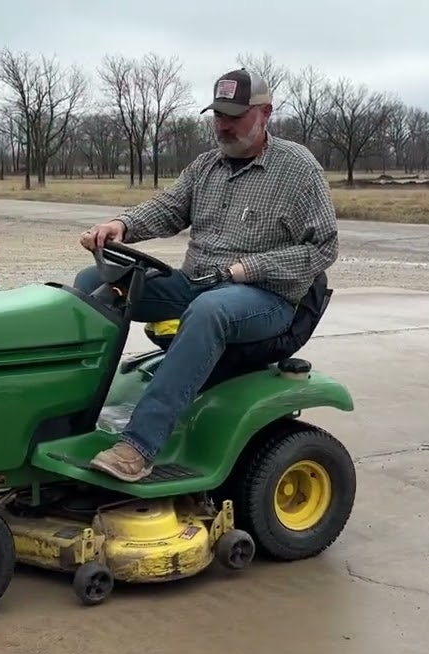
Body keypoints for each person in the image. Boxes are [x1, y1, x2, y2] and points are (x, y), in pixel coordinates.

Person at [73, 66, 340, 482]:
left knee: (209, 311)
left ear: (265, 112)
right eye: (218, 114)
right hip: (195, 283)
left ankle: (138, 447)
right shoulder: (206, 166)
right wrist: (121, 226)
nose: (223, 125)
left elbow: (323, 247)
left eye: (234, 115)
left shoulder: (298, 170)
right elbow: (168, 208)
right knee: (93, 285)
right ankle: (74, 412)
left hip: (265, 299)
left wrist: (248, 268)